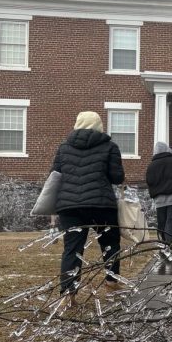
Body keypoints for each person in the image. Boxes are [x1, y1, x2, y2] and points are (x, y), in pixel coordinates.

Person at [52, 111, 125, 302]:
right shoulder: (110, 147)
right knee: (110, 244)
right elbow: (117, 177)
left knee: (72, 249)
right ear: (99, 126)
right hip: (101, 204)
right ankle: (111, 282)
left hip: (70, 207)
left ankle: (69, 293)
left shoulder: (64, 147)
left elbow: (55, 175)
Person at [145, 140, 172, 248]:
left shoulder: (151, 166)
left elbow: (149, 181)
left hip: (159, 200)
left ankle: (164, 244)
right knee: (171, 221)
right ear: (167, 149)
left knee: (162, 223)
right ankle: (169, 245)